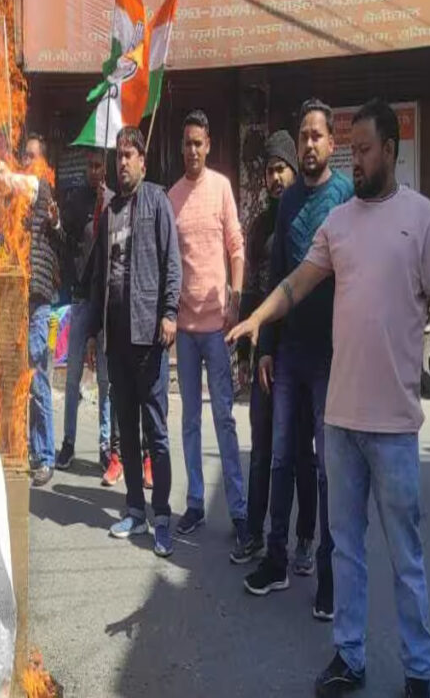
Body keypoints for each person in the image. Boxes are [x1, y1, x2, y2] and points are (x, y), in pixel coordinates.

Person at [229, 100, 430, 698]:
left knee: (405, 557)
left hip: (396, 426)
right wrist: (258, 318)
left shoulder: (421, 217)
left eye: (363, 150)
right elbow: (296, 282)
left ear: (391, 151)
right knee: (348, 551)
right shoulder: (339, 223)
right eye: (351, 149)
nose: (355, 160)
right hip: (341, 421)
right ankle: (349, 657)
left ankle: (418, 670)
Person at [244, 100, 354, 623]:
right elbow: (279, 278)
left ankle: (329, 577)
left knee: (329, 470)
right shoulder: (287, 201)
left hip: (333, 356)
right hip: (288, 355)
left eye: (316, 136)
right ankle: (276, 559)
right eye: (303, 135)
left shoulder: (346, 196)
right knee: (281, 458)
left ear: (332, 142)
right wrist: (266, 346)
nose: (309, 144)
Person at [86, 126, 181, 557]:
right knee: (126, 428)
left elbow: (172, 262)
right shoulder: (109, 212)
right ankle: (135, 510)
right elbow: (98, 278)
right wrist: (94, 332)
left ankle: (162, 518)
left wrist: (170, 313)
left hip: (149, 336)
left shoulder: (157, 201)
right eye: (118, 155)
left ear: (143, 160)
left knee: (155, 431)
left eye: (129, 155)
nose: (122, 162)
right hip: (117, 338)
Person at [232, 131, 316, 564]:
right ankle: (254, 533)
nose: (275, 177)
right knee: (262, 447)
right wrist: (246, 354)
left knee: (301, 449)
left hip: (302, 347)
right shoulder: (260, 225)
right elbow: (251, 292)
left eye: (281, 169)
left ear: (293, 170)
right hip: (267, 350)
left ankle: (304, 538)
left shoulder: (307, 218)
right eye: (269, 171)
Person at [167, 109, 248, 548]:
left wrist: (235, 297)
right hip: (185, 328)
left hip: (217, 326)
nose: (193, 150)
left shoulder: (220, 188)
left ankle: (238, 510)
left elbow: (236, 246)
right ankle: (195, 503)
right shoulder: (172, 197)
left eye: (199, 143)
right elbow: (168, 260)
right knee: (190, 420)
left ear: (209, 145)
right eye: (187, 143)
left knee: (224, 418)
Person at [56, 147, 119, 482]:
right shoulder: (76, 201)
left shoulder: (114, 202)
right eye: (90, 166)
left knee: (106, 379)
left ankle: (105, 445)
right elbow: (63, 236)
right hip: (82, 298)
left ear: (106, 168)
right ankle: (68, 442)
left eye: (99, 166)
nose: (95, 171)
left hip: (106, 301)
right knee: (73, 376)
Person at [22, 133, 64, 487]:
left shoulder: (46, 194)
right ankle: (30, 450)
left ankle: (45, 455)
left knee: (38, 379)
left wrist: (56, 223)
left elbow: (62, 244)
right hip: (15, 298)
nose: (27, 162)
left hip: (38, 299)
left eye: (33, 156)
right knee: (21, 379)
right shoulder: (17, 199)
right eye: (25, 156)